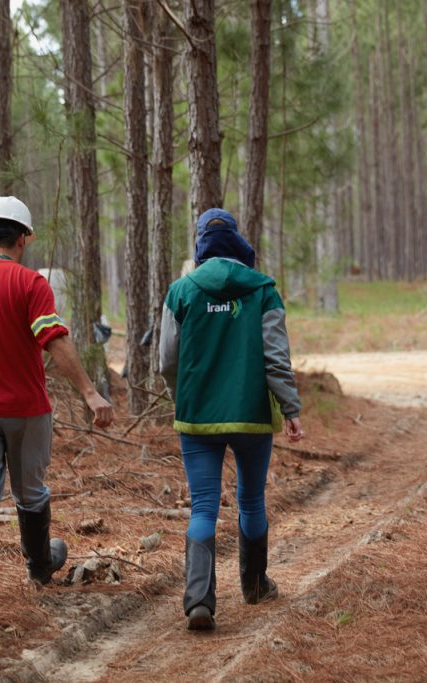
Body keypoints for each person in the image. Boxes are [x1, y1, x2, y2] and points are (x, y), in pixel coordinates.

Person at [0, 196, 113, 616]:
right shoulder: (30, 284)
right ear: (22, 239)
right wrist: (90, 392)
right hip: (25, 409)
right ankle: (40, 567)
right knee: (30, 491)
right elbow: (53, 339)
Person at [159, 208, 304, 631]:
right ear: (237, 240)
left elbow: (167, 360)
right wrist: (291, 409)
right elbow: (276, 360)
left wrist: (181, 395)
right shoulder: (263, 291)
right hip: (252, 417)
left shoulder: (181, 292)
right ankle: (255, 585)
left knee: (203, 505)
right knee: (251, 500)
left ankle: (200, 601)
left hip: (197, 417)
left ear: (201, 242)